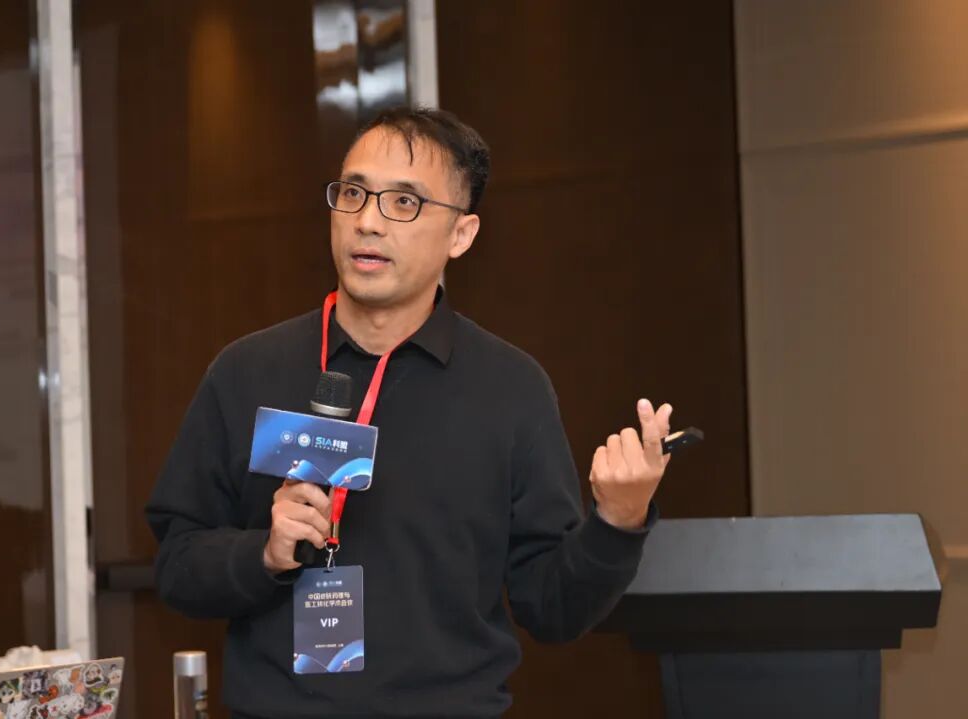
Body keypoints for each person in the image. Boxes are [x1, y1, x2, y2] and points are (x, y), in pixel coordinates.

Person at [146, 106, 674, 718]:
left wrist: (619, 520)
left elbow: (552, 609)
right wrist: (263, 552)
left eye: (404, 203)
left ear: (461, 235)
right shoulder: (248, 372)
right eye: (353, 194)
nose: (368, 222)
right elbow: (178, 565)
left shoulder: (510, 389)